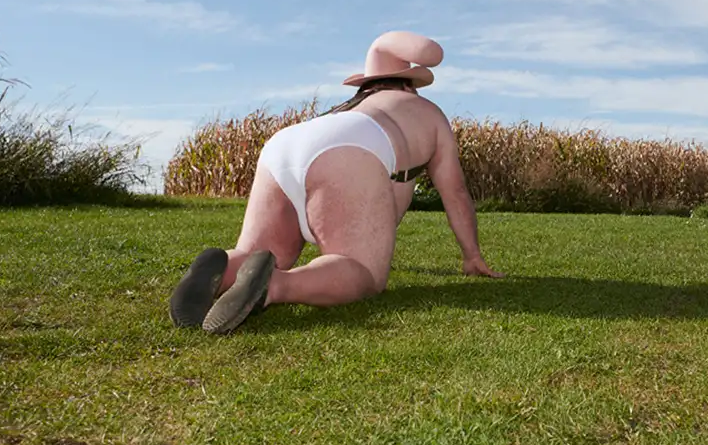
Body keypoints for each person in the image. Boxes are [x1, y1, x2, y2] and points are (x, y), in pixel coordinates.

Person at [169, 30, 502, 335]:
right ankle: (276, 287)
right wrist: (471, 255)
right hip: (351, 146)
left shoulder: (351, 105)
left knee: (258, 252)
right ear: (408, 84)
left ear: (368, 84)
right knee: (361, 270)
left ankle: (224, 267)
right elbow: (455, 192)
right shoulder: (426, 112)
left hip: (286, 144)